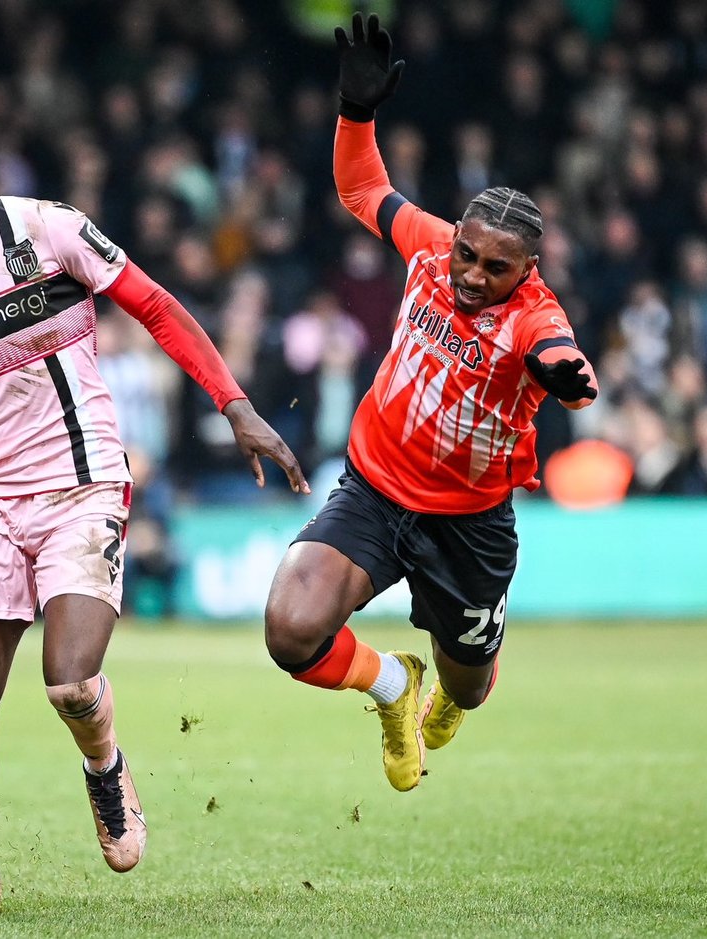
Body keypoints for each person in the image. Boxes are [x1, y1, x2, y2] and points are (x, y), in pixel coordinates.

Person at [0, 107, 307, 920]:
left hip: (81, 484)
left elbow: (155, 305)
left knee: (72, 681)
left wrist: (234, 403)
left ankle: (105, 767)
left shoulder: (43, 230)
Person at [262, 15, 598, 793]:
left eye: (496, 267)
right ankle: (391, 685)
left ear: (530, 268)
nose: (474, 274)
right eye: (467, 255)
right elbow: (362, 188)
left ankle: (449, 683)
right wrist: (355, 111)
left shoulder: (534, 316)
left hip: (469, 524)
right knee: (290, 630)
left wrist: (565, 373)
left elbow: (558, 353)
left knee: (473, 688)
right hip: (375, 491)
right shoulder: (428, 247)